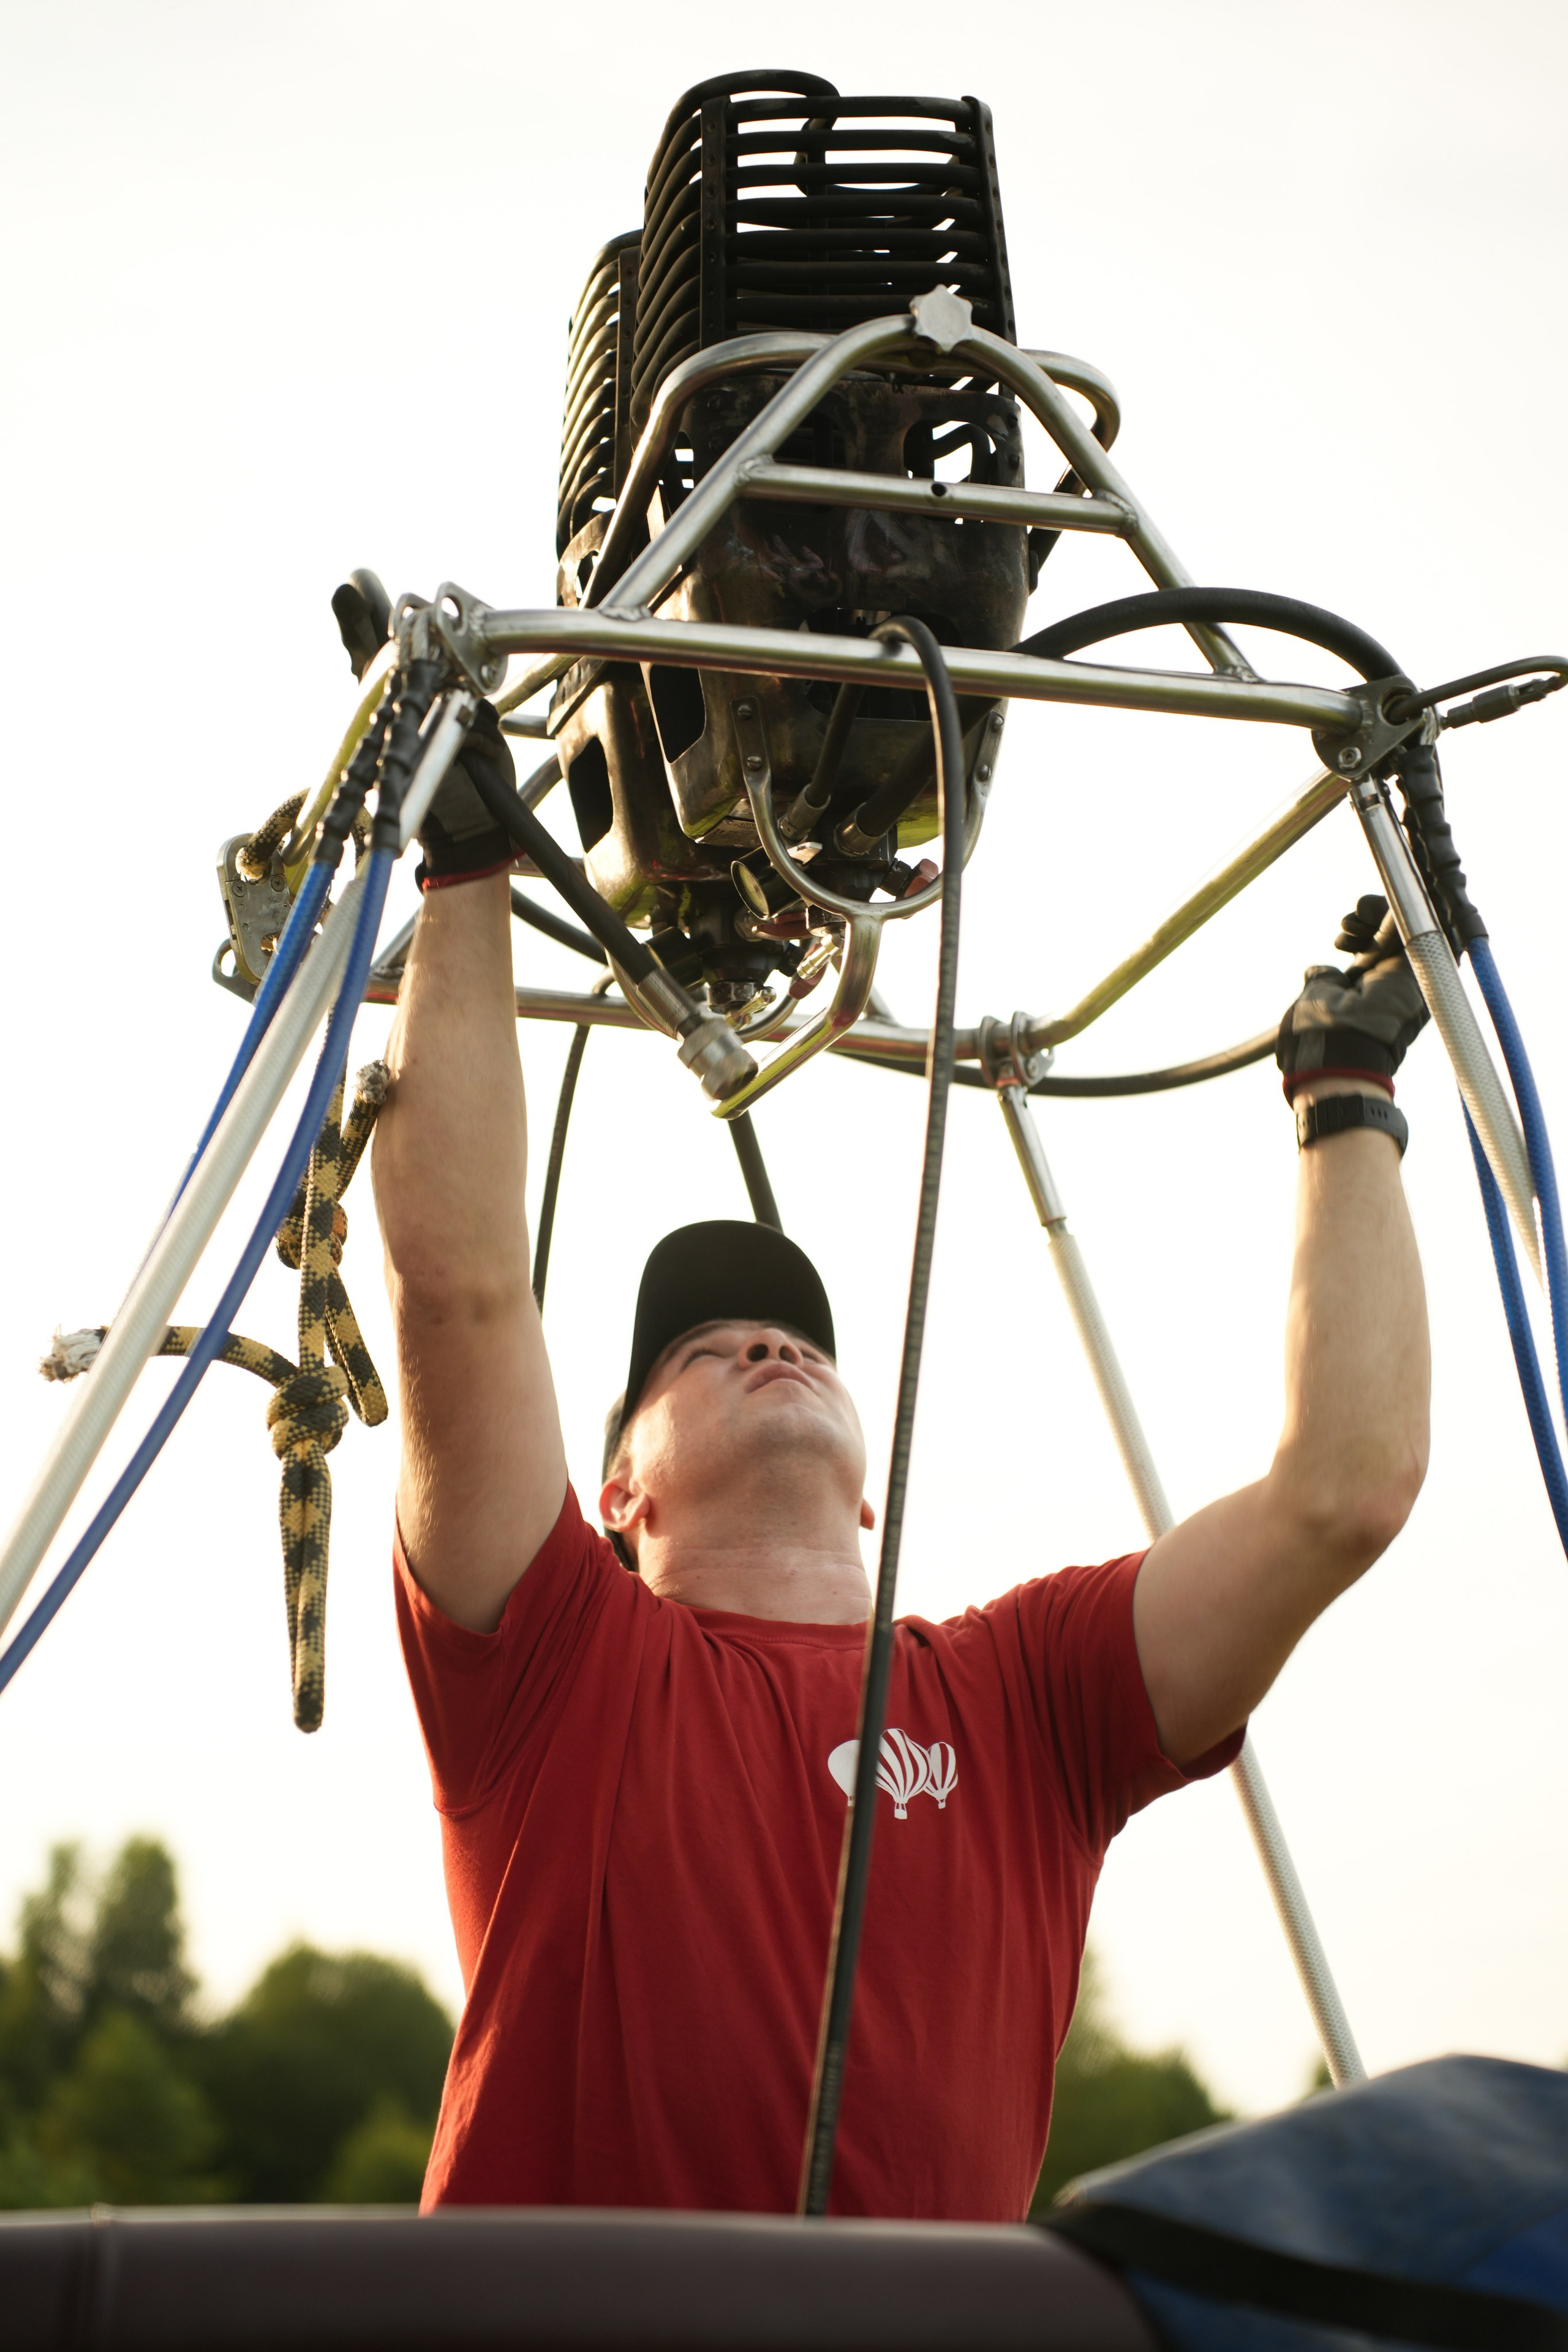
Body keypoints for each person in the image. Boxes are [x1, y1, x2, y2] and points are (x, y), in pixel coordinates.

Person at [372, 709, 1431, 2219]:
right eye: (697, 1353)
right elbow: (458, 1289)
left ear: (866, 1478)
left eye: (794, 1339)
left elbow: (1345, 1490)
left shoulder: (1023, 1698)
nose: (765, 1348)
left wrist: (1348, 1096)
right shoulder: (556, 1669)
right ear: (618, 1498)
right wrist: (465, 869)